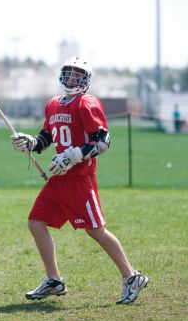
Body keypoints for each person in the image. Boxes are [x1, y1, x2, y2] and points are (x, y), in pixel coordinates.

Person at [11, 56, 148, 305]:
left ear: (85, 80)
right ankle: (54, 280)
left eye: (78, 75)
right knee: (35, 222)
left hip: (80, 178)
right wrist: (29, 143)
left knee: (95, 230)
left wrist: (74, 155)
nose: (72, 78)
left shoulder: (87, 103)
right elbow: (46, 137)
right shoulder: (53, 104)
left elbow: (103, 141)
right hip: (59, 178)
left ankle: (132, 277)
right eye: (69, 73)